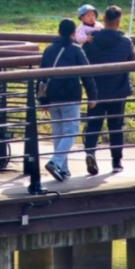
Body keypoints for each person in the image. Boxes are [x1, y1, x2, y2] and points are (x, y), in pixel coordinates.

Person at [39, 18, 96, 182]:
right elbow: (87, 74)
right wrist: (92, 96)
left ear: (58, 32)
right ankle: (55, 162)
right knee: (71, 132)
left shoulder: (49, 49)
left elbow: (41, 75)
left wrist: (43, 101)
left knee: (58, 133)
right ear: (73, 33)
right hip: (70, 96)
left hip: (52, 96)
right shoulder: (76, 50)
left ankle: (63, 170)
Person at [82, 5, 135, 175]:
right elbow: (132, 62)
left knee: (93, 124)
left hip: (95, 90)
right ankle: (116, 162)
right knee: (116, 126)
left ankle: (90, 151)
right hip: (118, 90)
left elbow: (83, 60)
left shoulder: (90, 39)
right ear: (118, 22)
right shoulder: (126, 41)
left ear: (103, 20)